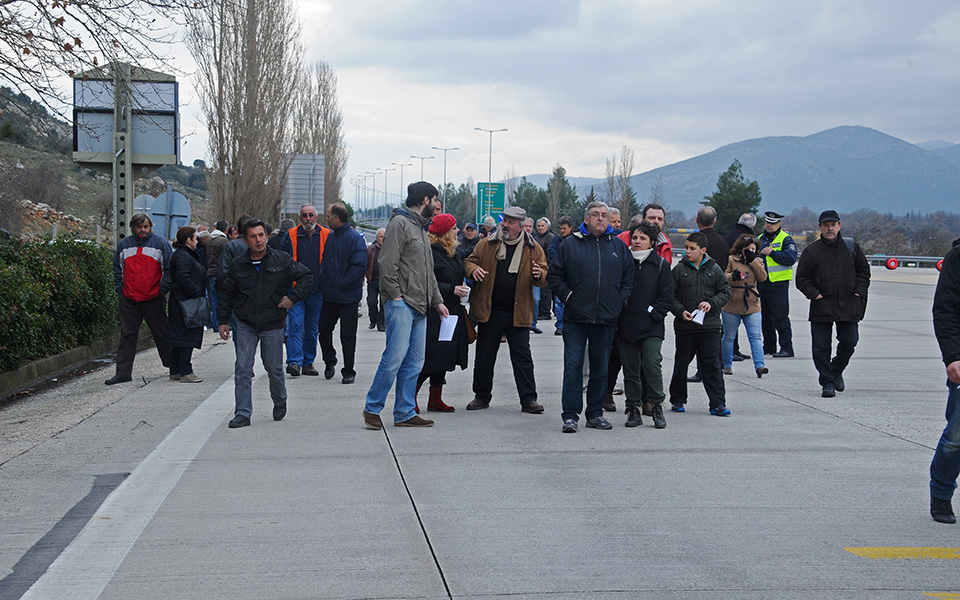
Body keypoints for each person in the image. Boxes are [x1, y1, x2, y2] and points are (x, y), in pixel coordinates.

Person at [363, 182, 449, 430]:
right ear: (425, 200)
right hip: (402, 304)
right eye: (435, 200)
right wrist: (396, 297)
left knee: (415, 362)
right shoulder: (400, 224)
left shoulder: (421, 229)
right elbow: (387, 263)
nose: (436, 206)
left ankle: (404, 412)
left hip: (421, 306)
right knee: (394, 358)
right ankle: (372, 408)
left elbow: (428, 272)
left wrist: (437, 302)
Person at [217, 219, 312, 428]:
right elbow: (226, 294)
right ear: (245, 240)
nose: (258, 240)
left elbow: (306, 277)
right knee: (243, 367)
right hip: (245, 323)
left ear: (267, 236)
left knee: (274, 368)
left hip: (273, 323)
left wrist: (292, 298)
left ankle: (280, 399)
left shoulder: (281, 260)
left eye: (261, 235)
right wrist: (223, 321)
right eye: (253, 236)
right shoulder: (237, 265)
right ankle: (242, 412)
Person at [548, 201, 633, 433]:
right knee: (573, 366)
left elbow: (628, 279)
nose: (600, 219)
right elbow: (555, 277)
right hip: (576, 318)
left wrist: (619, 301)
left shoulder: (618, 246)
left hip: (606, 318)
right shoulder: (570, 245)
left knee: (600, 368)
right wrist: (569, 297)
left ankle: (595, 414)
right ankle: (570, 415)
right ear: (586, 218)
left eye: (604, 215)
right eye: (595, 215)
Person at [464, 206, 548, 414]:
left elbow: (544, 273)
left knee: (522, 357)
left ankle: (529, 399)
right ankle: (481, 396)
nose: (505, 225)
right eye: (505, 220)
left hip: (517, 312)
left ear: (520, 226)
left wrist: (539, 274)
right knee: (485, 356)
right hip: (490, 311)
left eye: (510, 222)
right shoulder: (487, 243)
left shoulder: (533, 247)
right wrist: (474, 270)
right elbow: (469, 261)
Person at [795, 210, 870, 398]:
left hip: (849, 305)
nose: (830, 228)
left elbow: (864, 272)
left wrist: (859, 290)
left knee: (850, 341)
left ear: (839, 226)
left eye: (833, 224)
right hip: (822, 306)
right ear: (820, 227)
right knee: (821, 347)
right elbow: (802, 279)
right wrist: (815, 295)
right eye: (826, 225)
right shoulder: (812, 251)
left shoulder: (852, 248)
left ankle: (836, 370)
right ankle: (827, 382)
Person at [668, 232, 732, 416]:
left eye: (692, 248)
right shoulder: (679, 270)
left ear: (703, 250)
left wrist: (711, 303)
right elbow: (670, 296)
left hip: (709, 326)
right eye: (686, 247)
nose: (687, 251)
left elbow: (726, 292)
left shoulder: (715, 269)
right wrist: (680, 311)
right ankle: (678, 399)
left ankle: (718, 403)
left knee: (711, 364)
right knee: (681, 363)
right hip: (685, 326)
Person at [105, 213, 173, 385]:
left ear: (150, 227)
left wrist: (162, 291)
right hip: (129, 298)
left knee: (162, 333)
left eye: (146, 227)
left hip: (153, 297)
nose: (143, 230)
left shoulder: (160, 244)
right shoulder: (124, 245)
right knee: (127, 335)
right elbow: (117, 269)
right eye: (139, 227)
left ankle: (174, 366)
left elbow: (169, 269)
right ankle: (123, 373)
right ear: (133, 228)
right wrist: (120, 290)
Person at [618, 220, 674, 429]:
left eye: (642, 238)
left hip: (651, 326)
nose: (637, 241)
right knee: (630, 370)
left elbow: (666, 297)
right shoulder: (623, 264)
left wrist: (652, 313)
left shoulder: (660, 266)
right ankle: (633, 408)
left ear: (651, 243)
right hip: (626, 326)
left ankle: (656, 405)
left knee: (651, 365)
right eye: (634, 237)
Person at [416, 214, 469, 413]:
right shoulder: (429, 252)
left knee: (445, 357)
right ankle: (410, 397)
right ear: (445, 232)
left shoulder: (452, 251)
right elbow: (425, 281)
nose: (458, 231)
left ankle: (435, 399)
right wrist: (450, 289)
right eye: (454, 228)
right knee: (431, 358)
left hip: (452, 310)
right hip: (434, 310)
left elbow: (469, 256)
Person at [317, 203, 367, 384]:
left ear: (337, 218)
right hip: (329, 295)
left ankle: (348, 370)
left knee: (347, 335)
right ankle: (330, 360)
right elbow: (326, 260)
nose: (327, 218)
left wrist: (342, 283)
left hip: (348, 297)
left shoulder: (355, 239)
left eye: (329, 216)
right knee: (323, 329)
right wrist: (324, 279)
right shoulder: (331, 237)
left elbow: (359, 266)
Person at [930, 236, 960, 524]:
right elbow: (945, 309)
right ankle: (941, 492)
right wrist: (952, 356)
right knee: (956, 438)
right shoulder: (957, 258)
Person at [280, 205, 329, 377]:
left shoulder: (326, 235)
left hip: (318, 290)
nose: (308, 219)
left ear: (316, 217)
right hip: (296, 291)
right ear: (299, 218)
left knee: (312, 328)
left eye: (311, 215)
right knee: (294, 326)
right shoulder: (290, 236)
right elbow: (282, 261)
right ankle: (294, 362)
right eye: (304, 216)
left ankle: (308, 362)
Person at [721, 234, 769, 378]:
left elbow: (763, 277)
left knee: (755, 336)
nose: (750, 251)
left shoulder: (758, 261)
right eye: (747, 248)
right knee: (729, 336)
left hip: (752, 303)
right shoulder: (731, 259)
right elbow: (723, 276)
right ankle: (727, 364)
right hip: (732, 302)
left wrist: (752, 259)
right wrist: (732, 276)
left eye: (753, 249)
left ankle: (760, 365)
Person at [165, 227, 206, 383]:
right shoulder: (183, 257)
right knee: (186, 338)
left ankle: (175, 370)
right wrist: (196, 293)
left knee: (179, 338)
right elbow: (183, 278)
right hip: (186, 304)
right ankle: (185, 371)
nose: (197, 241)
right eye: (195, 238)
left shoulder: (185, 255)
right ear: (188, 240)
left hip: (183, 303)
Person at [758, 211, 798, 358]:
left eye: (773, 223)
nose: (769, 225)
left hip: (778, 284)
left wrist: (772, 253)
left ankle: (787, 347)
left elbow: (790, 258)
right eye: (768, 222)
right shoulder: (760, 239)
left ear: (779, 224)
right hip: (763, 283)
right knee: (765, 317)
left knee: (780, 317)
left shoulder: (786, 239)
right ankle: (769, 346)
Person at [548, 215, 575, 335]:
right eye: (561, 228)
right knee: (558, 302)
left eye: (564, 228)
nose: (562, 231)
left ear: (571, 228)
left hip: (573, 275)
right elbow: (551, 252)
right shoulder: (556, 240)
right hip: (560, 275)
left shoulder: (576, 240)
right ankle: (560, 325)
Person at [206, 220, 229, 329]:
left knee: (214, 300)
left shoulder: (210, 241)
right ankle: (223, 323)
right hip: (220, 275)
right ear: (225, 230)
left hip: (210, 273)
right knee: (223, 300)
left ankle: (215, 324)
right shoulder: (224, 241)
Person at [523, 217, 543, 334]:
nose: (528, 228)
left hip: (534, 276)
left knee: (536, 299)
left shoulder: (536, 242)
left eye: (530, 226)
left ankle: (533, 323)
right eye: (526, 226)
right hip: (521, 276)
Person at [366, 228, 386, 331]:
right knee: (371, 301)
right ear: (377, 238)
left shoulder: (391, 249)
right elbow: (365, 264)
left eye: (385, 236)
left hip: (386, 281)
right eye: (381, 236)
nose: (383, 239)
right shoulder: (370, 249)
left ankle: (381, 323)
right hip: (373, 280)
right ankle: (373, 319)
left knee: (384, 303)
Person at [535, 218, 555, 320]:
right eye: (538, 226)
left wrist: (543, 264)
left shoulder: (550, 237)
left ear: (547, 227)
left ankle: (545, 312)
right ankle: (539, 312)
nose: (540, 228)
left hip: (547, 266)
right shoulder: (536, 237)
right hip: (538, 266)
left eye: (542, 226)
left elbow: (549, 254)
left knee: (545, 291)